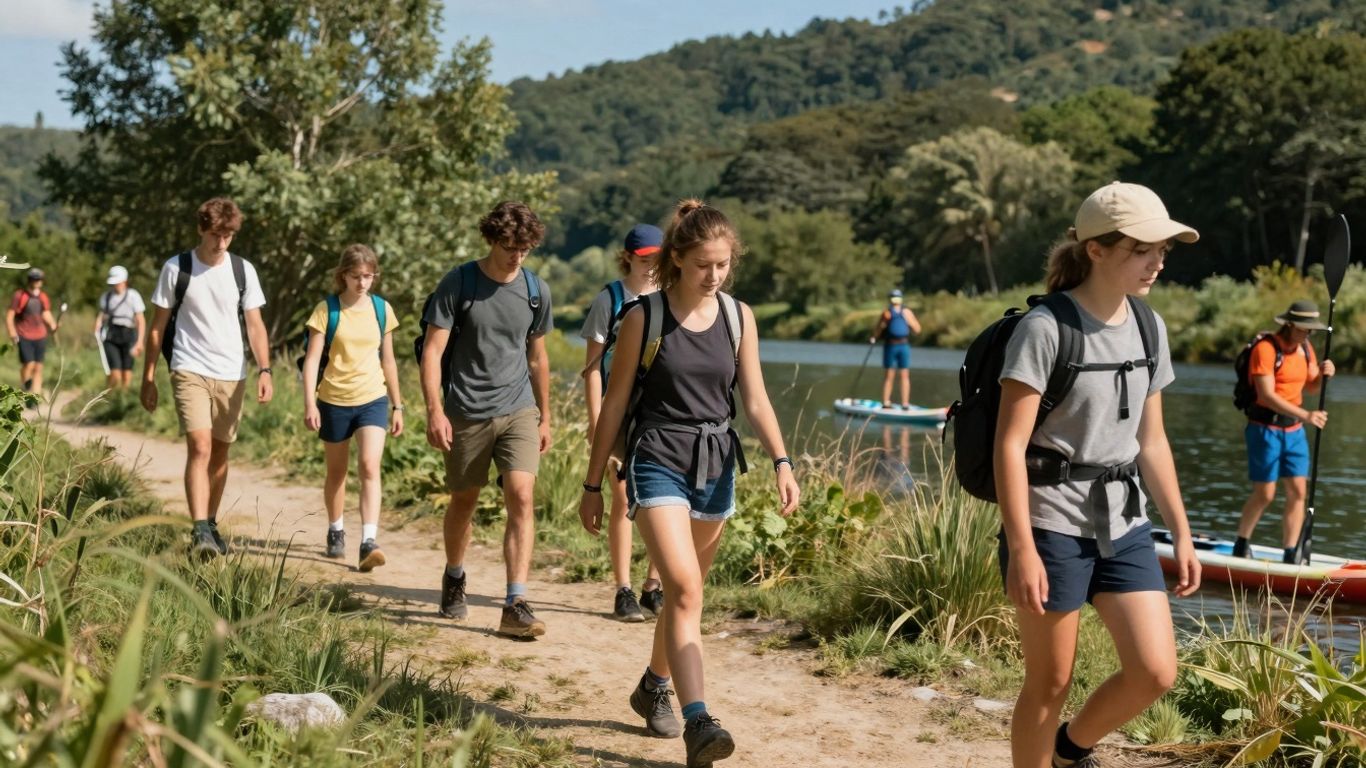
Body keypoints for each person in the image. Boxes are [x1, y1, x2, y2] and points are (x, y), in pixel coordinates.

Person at [577, 199, 800, 768]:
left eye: (723, 265)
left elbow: (754, 397)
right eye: (704, 264)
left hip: (717, 463)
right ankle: (699, 719)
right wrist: (593, 482)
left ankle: (654, 682)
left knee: (685, 595)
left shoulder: (737, 317)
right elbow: (616, 402)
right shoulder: (642, 317)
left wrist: (781, 460)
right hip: (656, 459)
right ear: (676, 259)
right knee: (684, 589)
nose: (715, 275)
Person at [994, 182, 1201, 768]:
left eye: (1162, 250)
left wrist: (1180, 533)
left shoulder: (1148, 325)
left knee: (1156, 670)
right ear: (1097, 250)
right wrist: (1022, 548)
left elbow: (1152, 441)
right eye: (1143, 249)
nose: (1157, 261)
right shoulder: (1044, 328)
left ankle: (1069, 750)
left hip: (1125, 520)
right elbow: (1009, 446)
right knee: (1050, 683)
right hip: (1050, 523)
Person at [421, 201, 553, 639]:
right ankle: (455, 575)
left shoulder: (535, 290)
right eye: (509, 245)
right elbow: (433, 351)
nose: (517, 255)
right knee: (464, 500)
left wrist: (546, 416)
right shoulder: (460, 282)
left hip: (519, 407)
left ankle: (515, 601)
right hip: (466, 411)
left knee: (521, 494)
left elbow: (537, 356)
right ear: (492, 239)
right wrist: (435, 411)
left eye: (525, 248)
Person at [140, 198, 272, 559]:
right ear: (201, 229)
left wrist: (265, 369)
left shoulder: (243, 271)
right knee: (199, 446)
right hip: (188, 367)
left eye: (228, 235)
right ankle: (199, 531)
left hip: (233, 372)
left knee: (220, 452)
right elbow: (157, 327)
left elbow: (255, 325)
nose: (221, 242)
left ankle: (210, 522)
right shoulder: (177, 268)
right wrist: (148, 376)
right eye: (215, 234)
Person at [581, 223, 665, 622]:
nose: (651, 266)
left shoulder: (670, 299)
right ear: (628, 257)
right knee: (624, 499)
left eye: (657, 259)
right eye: (644, 258)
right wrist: (597, 423)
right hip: (619, 413)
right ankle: (623, 590)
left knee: (660, 502)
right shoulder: (611, 299)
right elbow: (592, 368)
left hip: (658, 415)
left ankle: (653, 587)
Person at [302, 244, 404, 572]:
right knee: (337, 472)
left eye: (369, 276)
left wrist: (398, 405)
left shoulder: (381, 309)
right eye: (356, 276)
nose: (362, 283)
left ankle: (369, 541)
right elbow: (313, 360)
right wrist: (309, 403)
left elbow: (388, 359)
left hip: (373, 397)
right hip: (333, 400)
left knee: (370, 465)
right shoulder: (326, 310)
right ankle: (336, 529)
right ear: (343, 275)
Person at [1232, 299, 1335, 563]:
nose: (1307, 333)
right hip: (1264, 429)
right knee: (1265, 493)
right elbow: (1266, 395)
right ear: (1288, 325)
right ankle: (1241, 543)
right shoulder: (1266, 350)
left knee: (1298, 492)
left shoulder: (1306, 350)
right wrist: (1307, 415)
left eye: (1311, 329)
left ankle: (1291, 553)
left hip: (1295, 432)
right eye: (1303, 328)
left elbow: (1311, 387)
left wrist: (1324, 374)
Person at [6, 268, 59, 398]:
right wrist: (12, 332)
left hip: (40, 336)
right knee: (29, 364)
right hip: (24, 335)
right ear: (29, 280)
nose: (37, 281)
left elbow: (45, 313)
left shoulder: (43, 297)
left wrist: (52, 324)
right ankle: (25, 388)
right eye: (34, 279)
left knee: (38, 367)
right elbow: (10, 315)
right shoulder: (20, 295)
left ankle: (34, 397)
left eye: (39, 279)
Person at [93, 265, 147, 390]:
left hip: (129, 334)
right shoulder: (106, 297)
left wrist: (139, 342)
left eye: (117, 282)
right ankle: (110, 397)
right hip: (111, 335)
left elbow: (140, 320)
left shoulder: (133, 296)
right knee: (115, 372)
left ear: (124, 281)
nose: (115, 286)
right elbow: (102, 314)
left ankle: (122, 401)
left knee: (127, 372)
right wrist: (98, 323)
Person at [869, 288, 921, 408]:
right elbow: (878, 330)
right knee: (889, 375)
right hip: (890, 346)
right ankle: (886, 402)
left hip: (903, 346)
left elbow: (918, 330)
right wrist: (874, 337)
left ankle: (905, 404)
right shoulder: (887, 313)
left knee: (904, 375)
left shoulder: (907, 312)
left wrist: (909, 322)